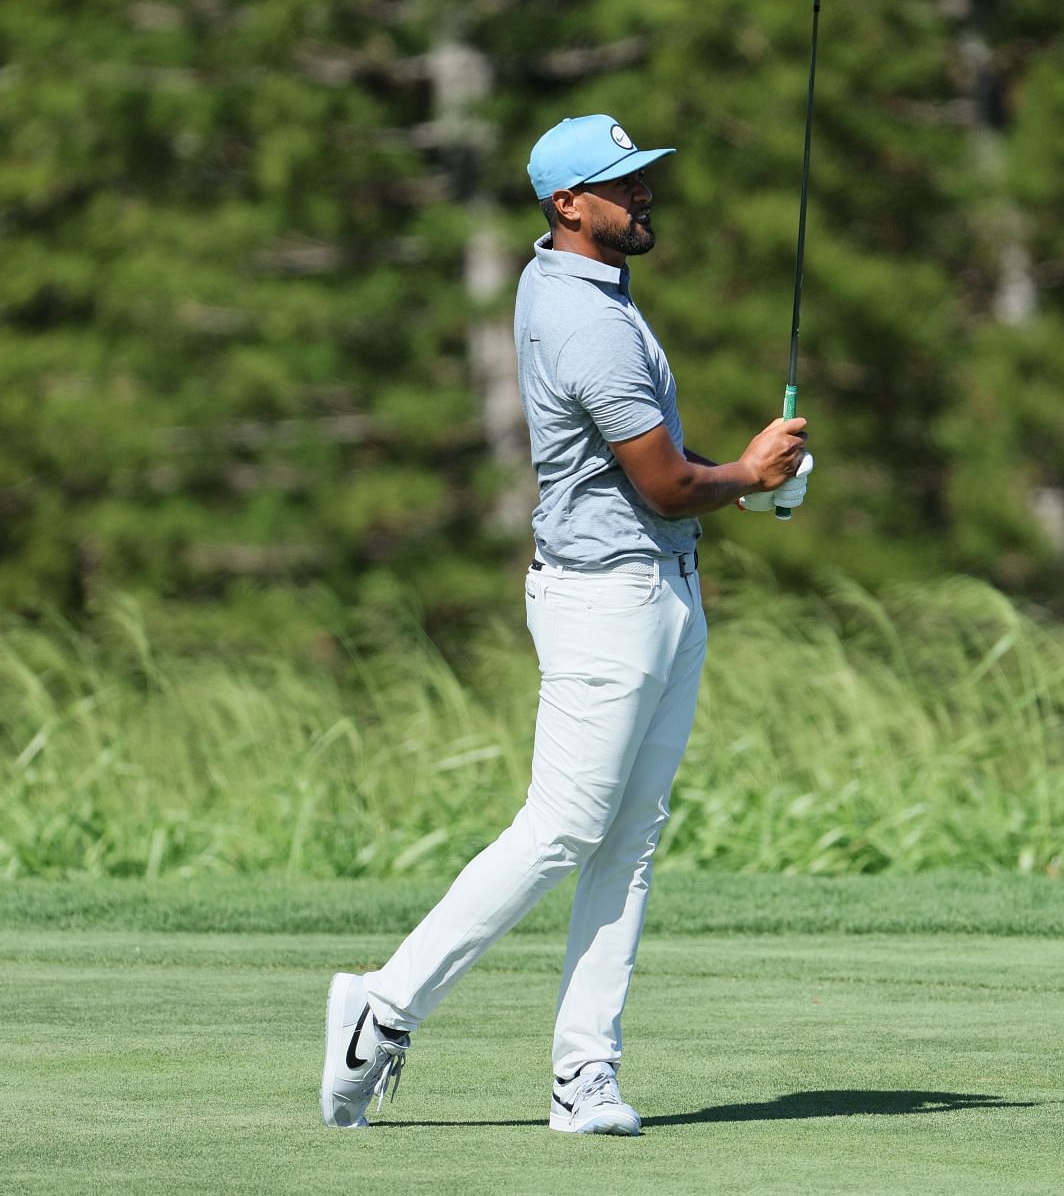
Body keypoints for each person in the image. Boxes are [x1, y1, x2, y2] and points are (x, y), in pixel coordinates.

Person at [320, 114, 814, 1135]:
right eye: (620, 186)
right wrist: (750, 477)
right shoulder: (588, 320)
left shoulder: (578, 285)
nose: (643, 197)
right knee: (563, 829)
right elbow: (670, 485)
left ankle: (583, 1075)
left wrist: (747, 488)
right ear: (566, 205)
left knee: (627, 840)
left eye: (643, 180)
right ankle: (382, 1004)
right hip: (608, 602)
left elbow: (670, 490)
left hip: (660, 590)